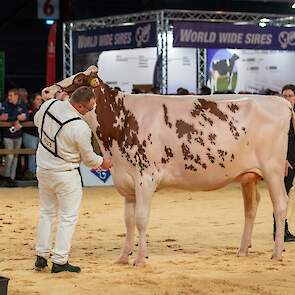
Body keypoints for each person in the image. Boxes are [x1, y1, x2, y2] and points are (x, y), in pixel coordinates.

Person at [34, 86, 112, 273]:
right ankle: (60, 261)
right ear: (78, 105)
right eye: (88, 108)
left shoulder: (49, 105)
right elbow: (89, 159)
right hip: (66, 174)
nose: (90, 111)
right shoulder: (80, 127)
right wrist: (104, 162)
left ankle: (41, 256)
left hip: (44, 169)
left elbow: (37, 122)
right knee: (68, 218)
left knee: (47, 213)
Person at [273, 84, 295, 242]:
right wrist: (283, 160)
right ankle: (280, 231)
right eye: (284, 96)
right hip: (285, 162)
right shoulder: (277, 118)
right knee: (282, 196)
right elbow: (276, 141)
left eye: (289, 96)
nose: (286, 99)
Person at [0, 88, 28, 186]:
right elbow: (3, 117)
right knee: (9, 156)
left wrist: (15, 117)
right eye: (8, 95)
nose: (9, 97)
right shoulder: (5, 104)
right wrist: (17, 117)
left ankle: (12, 178)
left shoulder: (22, 105)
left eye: (11, 95)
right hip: (7, 135)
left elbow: (27, 116)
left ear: (16, 96)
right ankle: (6, 177)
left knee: (16, 157)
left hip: (18, 134)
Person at [22, 93, 43, 179]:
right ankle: (31, 173)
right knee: (32, 155)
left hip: (38, 135)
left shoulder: (42, 109)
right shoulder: (29, 109)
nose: (39, 101)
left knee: (39, 155)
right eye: (37, 99)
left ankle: (37, 173)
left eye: (40, 99)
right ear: (33, 100)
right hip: (30, 135)